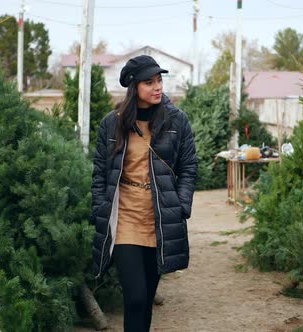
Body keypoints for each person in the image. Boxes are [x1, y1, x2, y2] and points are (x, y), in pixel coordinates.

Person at [90, 55, 198, 332]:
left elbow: (189, 166)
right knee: (135, 295)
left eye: (159, 80)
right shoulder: (112, 124)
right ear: (134, 86)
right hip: (125, 216)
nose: (157, 87)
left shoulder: (177, 120)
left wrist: (181, 205)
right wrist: (100, 208)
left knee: (147, 296)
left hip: (159, 217)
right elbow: (100, 172)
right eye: (149, 82)